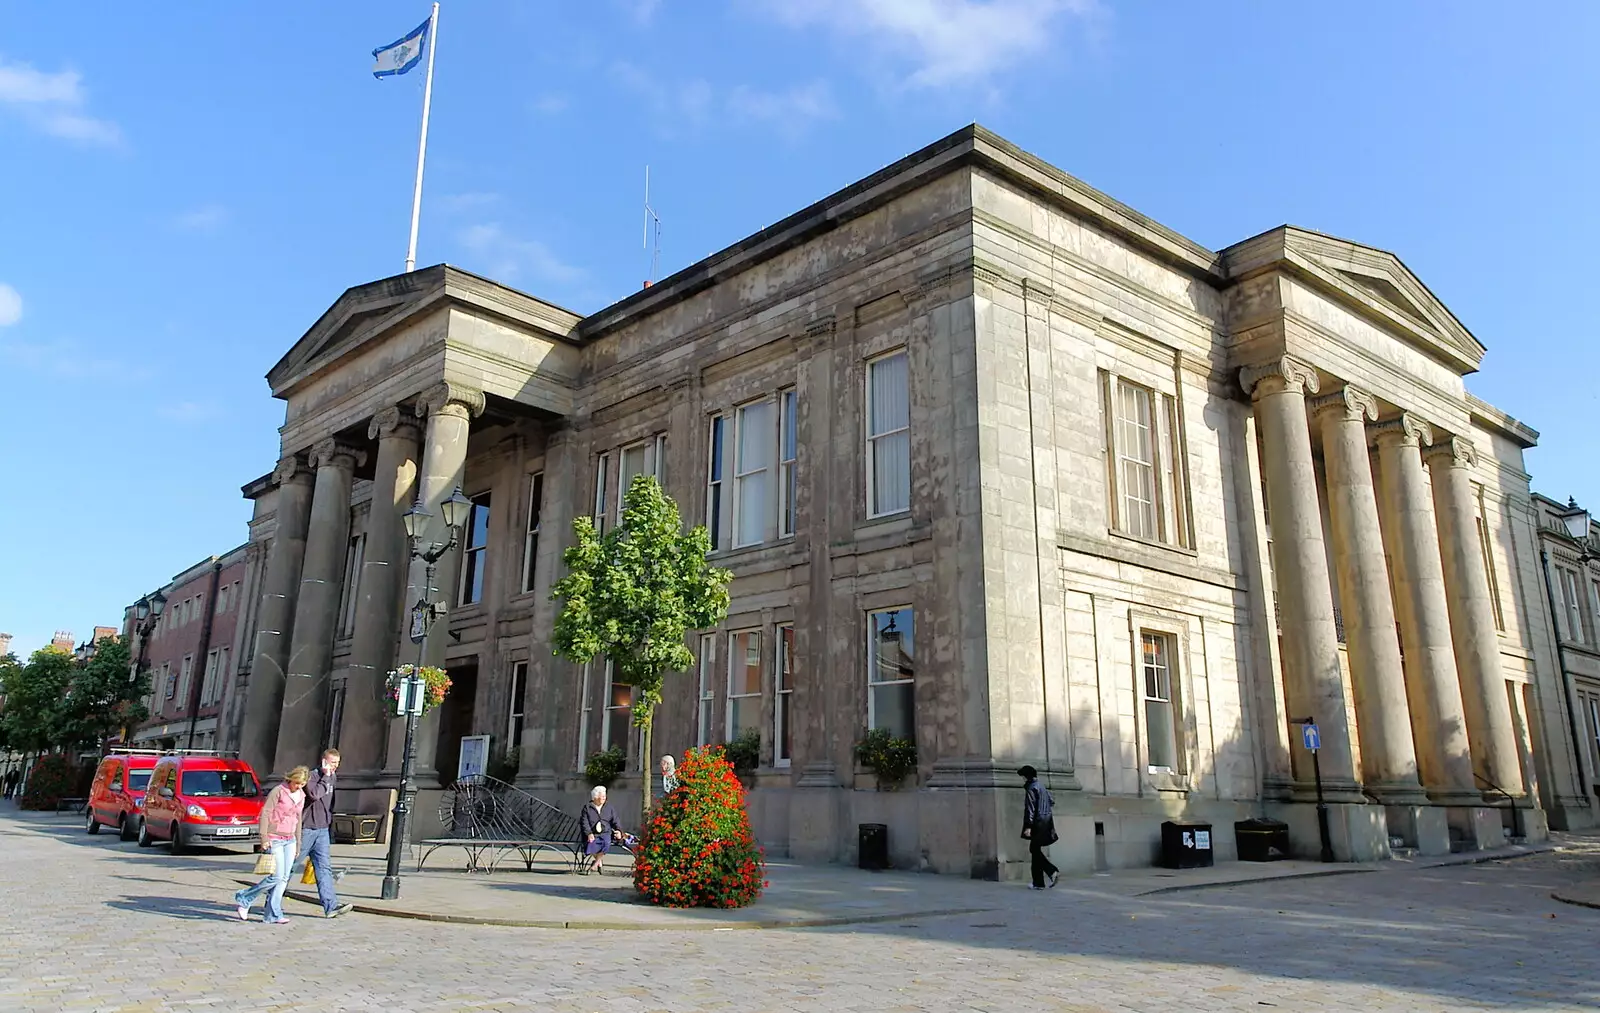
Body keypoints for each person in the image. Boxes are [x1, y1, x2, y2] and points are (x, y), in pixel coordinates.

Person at [235, 766, 308, 923]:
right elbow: (266, 813)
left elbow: (298, 819)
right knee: (276, 876)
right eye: (296, 783)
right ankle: (245, 897)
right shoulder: (279, 791)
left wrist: (298, 843)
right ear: (291, 779)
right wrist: (264, 837)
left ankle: (272, 915)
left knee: (284, 879)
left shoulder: (302, 795)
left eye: (302, 784)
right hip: (275, 837)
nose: (299, 786)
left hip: (290, 839)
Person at [301, 748, 353, 918]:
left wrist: (329, 819)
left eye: (337, 763)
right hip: (306, 829)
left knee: (324, 868)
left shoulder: (333, 777)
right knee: (290, 867)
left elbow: (330, 801)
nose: (335, 767)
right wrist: (325, 775)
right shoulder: (312, 776)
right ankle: (263, 899)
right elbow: (315, 794)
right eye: (332, 763)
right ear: (323, 761)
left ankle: (331, 906)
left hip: (322, 829)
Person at [1018, 765, 1058, 890]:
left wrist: (1028, 826)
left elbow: (1030, 809)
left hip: (1037, 822)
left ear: (1027, 777)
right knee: (1035, 851)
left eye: (1023, 777)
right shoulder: (1041, 786)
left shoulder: (1031, 788)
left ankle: (1051, 871)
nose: (1023, 780)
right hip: (1046, 821)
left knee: (1034, 850)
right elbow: (1051, 801)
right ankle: (1039, 882)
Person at [579, 785, 627, 875]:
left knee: (606, 843)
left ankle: (595, 865)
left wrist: (619, 831)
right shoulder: (587, 808)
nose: (604, 798)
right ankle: (599, 863)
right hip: (592, 833)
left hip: (606, 832)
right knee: (591, 844)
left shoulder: (609, 807)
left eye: (605, 796)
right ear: (595, 797)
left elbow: (615, 820)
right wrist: (589, 833)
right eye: (602, 796)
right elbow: (584, 822)